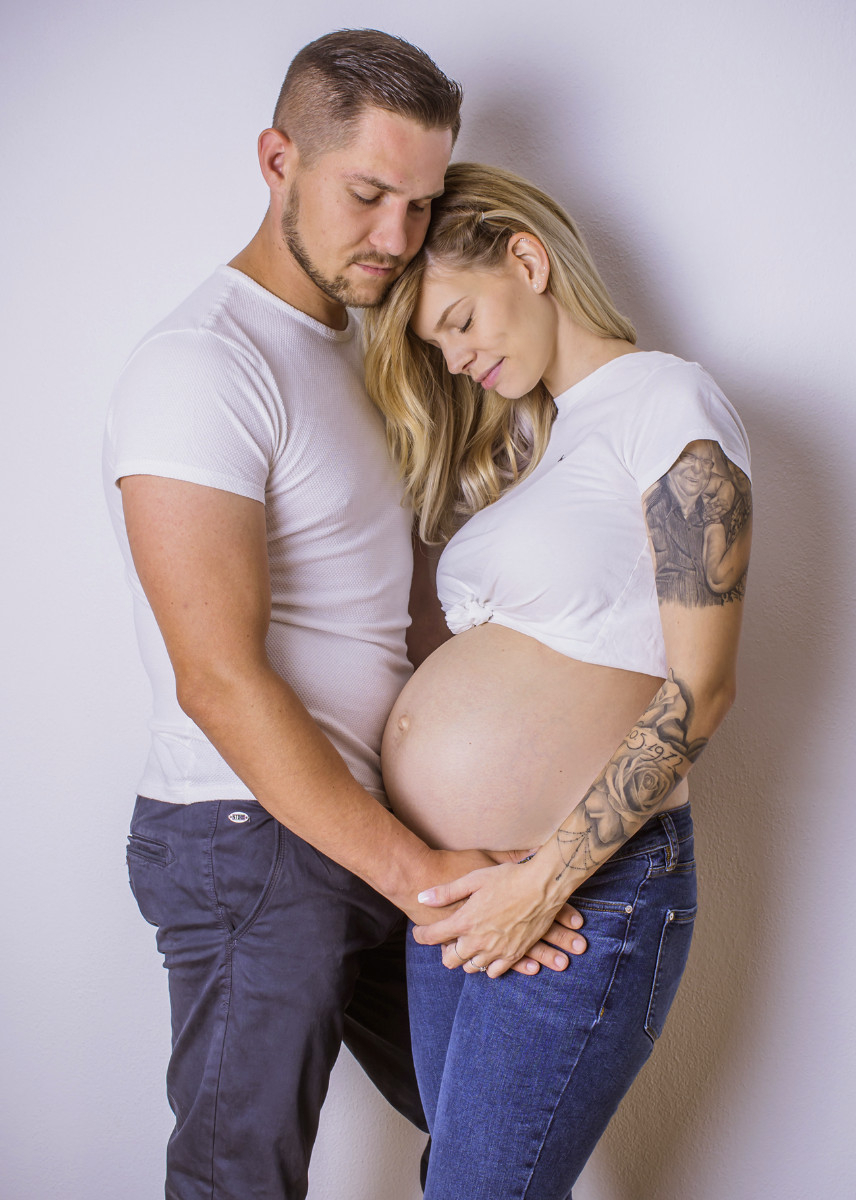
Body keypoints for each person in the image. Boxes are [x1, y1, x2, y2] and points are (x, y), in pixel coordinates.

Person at [103, 33, 583, 1200]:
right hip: (251, 836)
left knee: (496, 1141)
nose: (396, 236)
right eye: (367, 194)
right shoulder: (200, 367)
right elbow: (217, 678)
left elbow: (401, 619)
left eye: (419, 205)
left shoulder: (358, 353)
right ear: (278, 159)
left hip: (366, 826)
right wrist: (419, 875)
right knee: (239, 1181)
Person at [363, 161, 752, 1198]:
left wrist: (540, 885)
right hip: (464, 887)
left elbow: (702, 687)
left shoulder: (664, 397)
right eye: (437, 346)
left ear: (527, 260)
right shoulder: (547, 441)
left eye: (458, 320)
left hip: (581, 888)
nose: (456, 356)